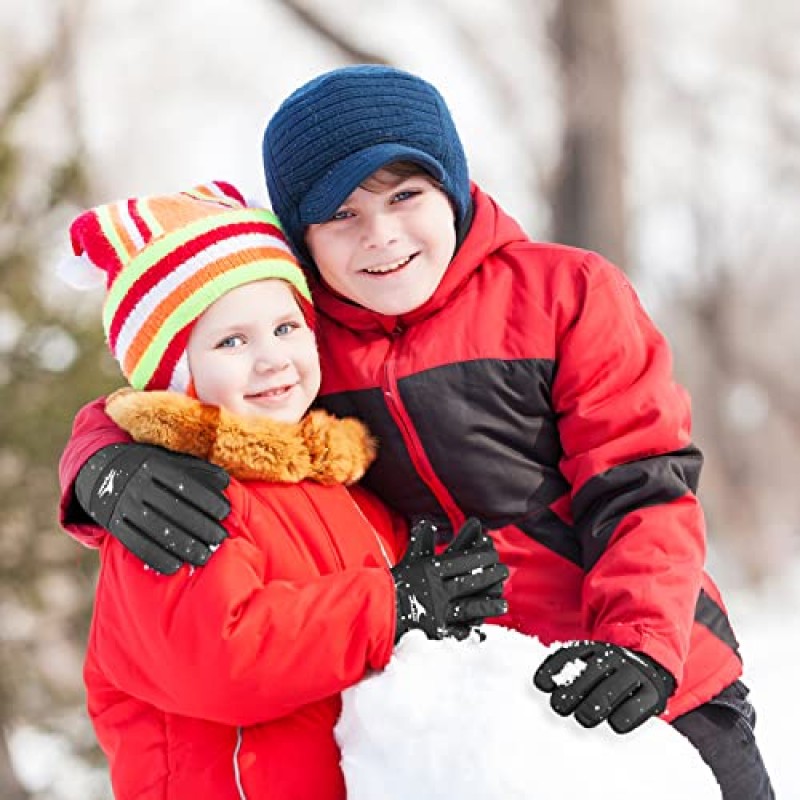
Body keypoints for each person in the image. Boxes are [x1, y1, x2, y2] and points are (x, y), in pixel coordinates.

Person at [58, 67, 774, 798]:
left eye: (406, 195)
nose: (381, 236)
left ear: (453, 189)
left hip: (651, 668)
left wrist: (643, 646)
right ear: (302, 238)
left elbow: (640, 481)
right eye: (342, 214)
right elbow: (172, 384)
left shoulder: (564, 294)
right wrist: (101, 463)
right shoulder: (305, 342)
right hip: (470, 710)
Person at [60, 180, 508, 799]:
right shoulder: (173, 501)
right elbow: (221, 662)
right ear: (176, 374)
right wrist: (393, 606)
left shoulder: (351, 494)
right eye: (232, 341)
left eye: (286, 328)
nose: (272, 359)